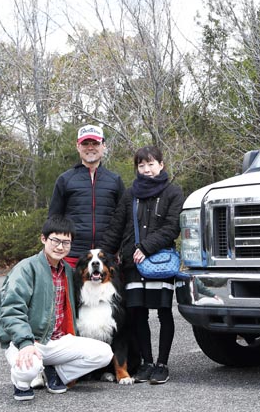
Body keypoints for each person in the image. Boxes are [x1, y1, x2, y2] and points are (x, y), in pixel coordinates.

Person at [0, 215, 114, 401]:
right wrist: (25, 343)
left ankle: (54, 372)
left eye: (66, 243)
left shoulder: (67, 271)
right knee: (29, 369)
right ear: (43, 239)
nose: (60, 247)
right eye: (55, 240)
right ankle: (22, 384)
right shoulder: (26, 269)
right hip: (26, 340)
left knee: (104, 353)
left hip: (56, 340)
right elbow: (11, 310)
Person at [101, 146, 184, 385]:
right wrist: (102, 256)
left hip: (160, 262)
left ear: (161, 165)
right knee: (137, 314)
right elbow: (117, 227)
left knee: (164, 312)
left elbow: (172, 227)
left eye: (151, 164)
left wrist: (146, 247)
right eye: (141, 165)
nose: (146, 169)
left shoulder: (173, 192)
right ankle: (147, 362)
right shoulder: (130, 195)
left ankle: (162, 364)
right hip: (132, 264)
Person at [48, 124, 125, 267]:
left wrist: (119, 250)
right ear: (78, 146)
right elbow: (54, 219)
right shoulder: (65, 180)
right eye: (85, 143)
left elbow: (123, 220)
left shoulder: (115, 180)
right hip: (71, 256)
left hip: (106, 257)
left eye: (95, 143)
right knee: (70, 291)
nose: (90, 147)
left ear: (103, 146)